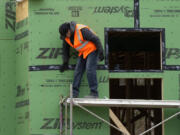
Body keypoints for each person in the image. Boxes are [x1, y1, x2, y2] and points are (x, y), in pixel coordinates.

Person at [59, 21, 104, 98]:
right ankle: (74, 93)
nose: (66, 36)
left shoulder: (81, 30)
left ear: (69, 30)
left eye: (66, 34)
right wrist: (65, 62)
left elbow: (95, 39)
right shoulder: (66, 38)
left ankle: (94, 93)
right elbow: (65, 50)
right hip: (83, 52)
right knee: (78, 71)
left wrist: (101, 52)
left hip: (92, 50)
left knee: (90, 69)